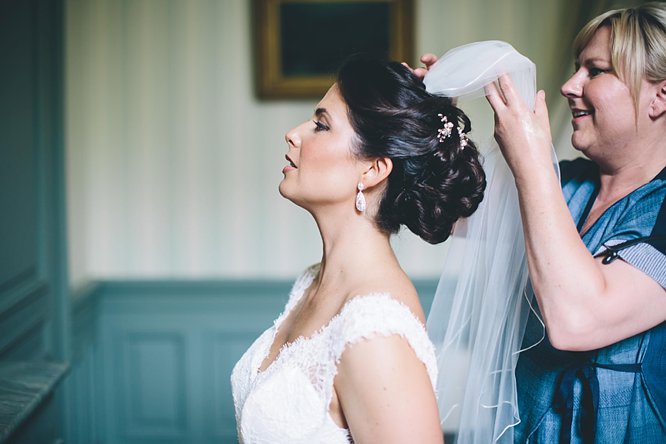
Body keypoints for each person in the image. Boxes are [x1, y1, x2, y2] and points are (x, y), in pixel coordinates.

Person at [230, 57, 486, 443]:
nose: (293, 134)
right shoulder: (312, 282)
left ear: (371, 170)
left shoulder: (374, 328)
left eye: (320, 125)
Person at [483, 3, 666, 442]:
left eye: (595, 70)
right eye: (575, 69)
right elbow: (450, 220)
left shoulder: (543, 180)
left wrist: (530, 164)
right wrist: (428, 119)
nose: (568, 86)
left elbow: (576, 322)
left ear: (660, 96)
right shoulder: (564, 185)